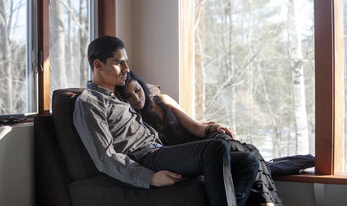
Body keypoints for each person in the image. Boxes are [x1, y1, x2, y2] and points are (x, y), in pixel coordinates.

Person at [73, 36, 259, 206]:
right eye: (118, 63)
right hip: (144, 158)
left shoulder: (119, 94)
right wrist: (150, 178)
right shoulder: (89, 103)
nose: (127, 69)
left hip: (159, 152)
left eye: (126, 62)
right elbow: (105, 158)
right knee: (215, 148)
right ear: (98, 65)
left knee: (247, 161)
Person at [116, 70, 283, 206]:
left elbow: (194, 126)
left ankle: (267, 202)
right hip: (182, 157)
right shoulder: (132, 119)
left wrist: (212, 127)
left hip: (197, 143)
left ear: (142, 86)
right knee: (249, 155)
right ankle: (268, 202)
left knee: (245, 153)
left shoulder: (162, 100)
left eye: (137, 90)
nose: (136, 98)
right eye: (129, 96)